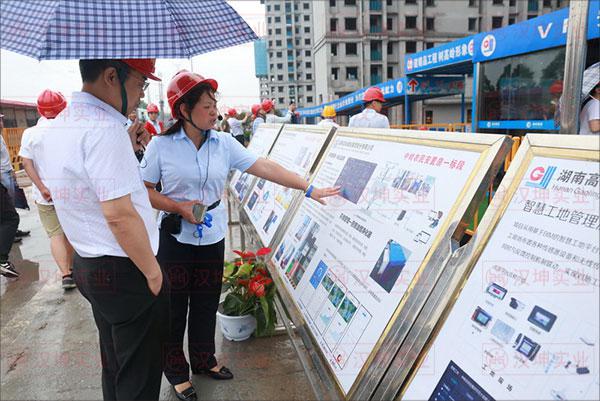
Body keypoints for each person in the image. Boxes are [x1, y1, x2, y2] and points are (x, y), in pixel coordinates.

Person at [141, 70, 340, 401]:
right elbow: (143, 190)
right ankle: (176, 371)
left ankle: (204, 361)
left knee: (205, 301)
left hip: (212, 232)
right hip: (176, 238)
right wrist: (178, 206)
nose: (214, 112)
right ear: (183, 110)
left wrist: (309, 188)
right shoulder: (161, 147)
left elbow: (264, 167)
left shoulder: (223, 143)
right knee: (175, 308)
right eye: (206, 106)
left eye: (214, 105)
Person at [32, 58, 168, 401]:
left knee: (116, 364)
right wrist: (153, 274)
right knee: (139, 375)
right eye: (139, 84)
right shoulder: (104, 130)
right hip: (126, 269)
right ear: (112, 76)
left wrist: (125, 142)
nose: (140, 95)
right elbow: (119, 215)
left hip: (90, 264)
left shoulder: (62, 124)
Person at [19, 89, 76, 290]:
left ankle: (66, 274)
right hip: (70, 193)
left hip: (45, 197)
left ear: (40, 110)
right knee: (70, 232)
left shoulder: (30, 133)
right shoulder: (69, 130)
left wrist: (42, 188)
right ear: (62, 108)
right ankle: (75, 268)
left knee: (55, 234)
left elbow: (27, 164)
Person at [0, 114, 20, 278]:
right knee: (10, 217)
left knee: (8, 215)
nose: (1, 122)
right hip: (1, 177)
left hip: (5, 174)